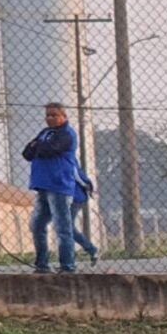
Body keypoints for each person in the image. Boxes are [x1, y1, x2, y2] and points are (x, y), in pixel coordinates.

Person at [22, 102, 79, 273]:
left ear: (64, 116)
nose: (50, 118)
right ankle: (42, 264)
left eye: (54, 115)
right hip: (42, 185)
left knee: (62, 227)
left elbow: (51, 150)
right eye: (48, 115)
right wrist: (38, 147)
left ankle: (67, 266)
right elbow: (27, 153)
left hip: (58, 185)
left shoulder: (67, 134)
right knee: (37, 225)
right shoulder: (45, 133)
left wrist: (38, 147)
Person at [70, 162, 100, 265]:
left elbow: (76, 174)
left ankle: (90, 249)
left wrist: (85, 185)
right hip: (70, 196)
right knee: (65, 226)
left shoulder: (66, 156)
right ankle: (88, 250)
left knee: (67, 226)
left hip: (74, 197)